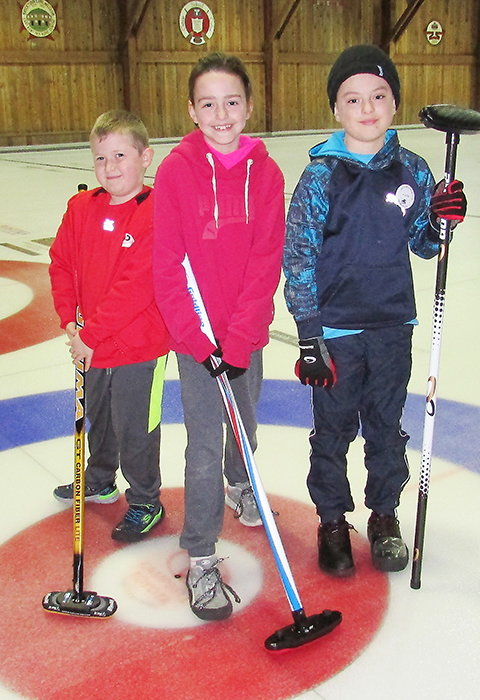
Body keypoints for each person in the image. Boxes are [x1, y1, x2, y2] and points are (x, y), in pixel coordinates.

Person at [283, 45, 467, 577]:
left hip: (392, 327)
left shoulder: (413, 169)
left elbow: (426, 245)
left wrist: (442, 219)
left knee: (386, 429)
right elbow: (298, 256)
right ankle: (333, 521)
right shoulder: (321, 177)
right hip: (336, 333)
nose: (367, 108)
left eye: (379, 96)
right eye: (353, 99)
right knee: (333, 431)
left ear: (394, 104)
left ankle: (384, 516)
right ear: (336, 110)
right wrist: (309, 334)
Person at [152, 53, 285, 620]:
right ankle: (201, 551)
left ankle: (242, 483)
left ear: (249, 106)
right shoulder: (177, 172)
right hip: (197, 340)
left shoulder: (268, 174)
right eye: (208, 103)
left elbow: (266, 262)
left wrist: (240, 338)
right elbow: (167, 264)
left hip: (243, 336)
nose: (221, 113)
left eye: (232, 101)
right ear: (191, 109)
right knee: (205, 445)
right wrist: (198, 339)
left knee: (245, 423)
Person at [49, 109, 169, 543]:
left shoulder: (157, 213)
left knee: (136, 424)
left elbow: (137, 287)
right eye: (100, 158)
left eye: (120, 155)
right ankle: (99, 477)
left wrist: (91, 336)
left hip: (140, 346)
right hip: (90, 344)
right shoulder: (81, 208)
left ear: (146, 157)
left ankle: (144, 500)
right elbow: (61, 264)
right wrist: (69, 322)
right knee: (97, 414)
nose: (110, 167)